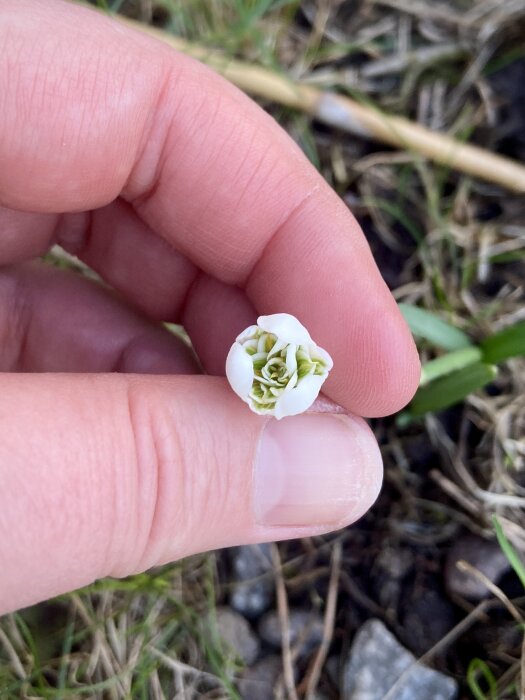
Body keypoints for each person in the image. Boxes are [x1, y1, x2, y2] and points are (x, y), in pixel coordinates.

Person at [0, 0, 420, 615]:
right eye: (280, 366)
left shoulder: (288, 357)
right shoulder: (272, 355)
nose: (279, 367)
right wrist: (154, 480)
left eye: (284, 369)